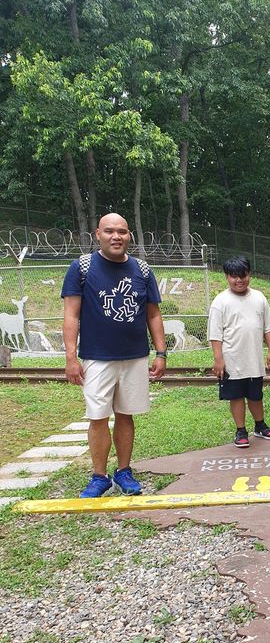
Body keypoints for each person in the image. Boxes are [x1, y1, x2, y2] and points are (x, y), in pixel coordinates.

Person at [62, 213, 167, 498]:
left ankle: (124, 471)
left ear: (129, 235)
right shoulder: (82, 267)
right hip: (97, 357)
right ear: (98, 234)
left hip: (135, 356)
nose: (116, 236)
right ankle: (99, 476)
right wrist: (71, 357)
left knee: (126, 414)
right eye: (109, 231)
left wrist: (161, 352)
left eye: (122, 231)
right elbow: (71, 314)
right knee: (97, 416)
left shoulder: (142, 270)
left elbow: (153, 314)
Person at [208, 257, 270, 448]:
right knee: (236, 396)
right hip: (231, 360)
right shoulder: (220, 301)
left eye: (243, 275)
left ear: (249, 274)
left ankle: (260, 426)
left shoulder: (259, 297)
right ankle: (241, 430)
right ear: (227, 277)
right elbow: (215, 334)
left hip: (254, 358)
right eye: (234, 276)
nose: (239, 280)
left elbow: (268, 328)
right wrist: (218, 360)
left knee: (256, 395)